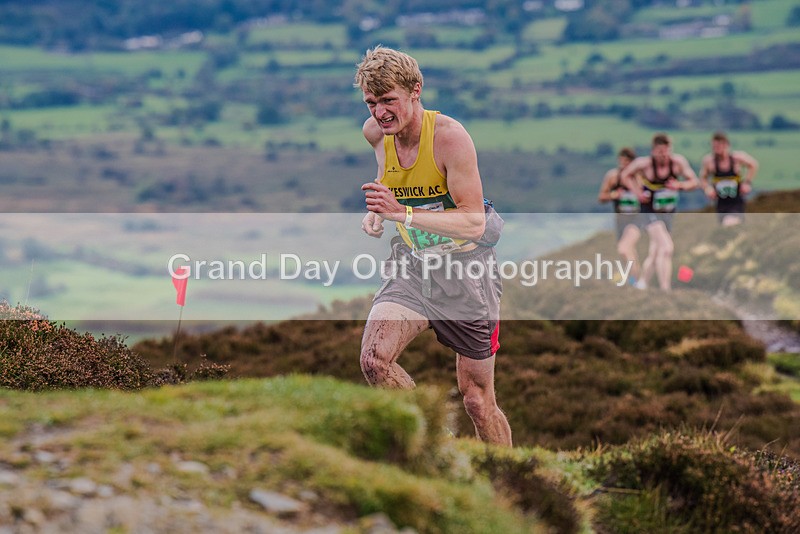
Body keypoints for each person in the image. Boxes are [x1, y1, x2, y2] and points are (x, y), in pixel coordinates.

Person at [354, 45, 511, 446]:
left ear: (415, 91)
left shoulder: (449, 138)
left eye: (389, 101)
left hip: (467, 273)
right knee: (374, 361)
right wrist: (377, 212)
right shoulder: (377, 133)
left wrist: (402, 215)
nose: (380, 113)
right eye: (372, 103)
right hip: (412, 268)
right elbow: (387, 179)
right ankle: (443, 449)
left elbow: (474, 221)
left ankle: (510, 481)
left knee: (477, 400)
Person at [620, 133, 700, 291]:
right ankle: (665, 289)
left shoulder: (678, 163)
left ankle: (642, 283)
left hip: (668, 212)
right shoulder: (644, 164)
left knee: (656, 252)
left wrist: (680, 185)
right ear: (653, 151)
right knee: (666, 248)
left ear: (670, 149)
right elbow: (625, 175)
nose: (663, 155)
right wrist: (637, 192)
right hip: (649, 212)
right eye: (659, 151)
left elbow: (694, 182)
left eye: (666, 151)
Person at [597, 147, 641, 285]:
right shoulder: (613, 177)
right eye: (621, 162)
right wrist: (613, 195)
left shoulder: (640, 178)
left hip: (637, 219)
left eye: (627, 162)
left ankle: (632, 282)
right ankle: (637, 281)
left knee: (624, 248)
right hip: (620, 220)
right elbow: (601, 197)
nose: (624, 165)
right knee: (629, 252)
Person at [699, 131, 759, 226]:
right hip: (720, 202)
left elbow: (753, 165)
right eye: (714, 147)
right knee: (725, 226)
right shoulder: (709, 161)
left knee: (730, 223)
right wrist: (707, 188)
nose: (716, 150)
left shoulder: (736, 158)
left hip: (736, 200)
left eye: (718, 147)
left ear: (726, 145)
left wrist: (747, 183)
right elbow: (703, 178)